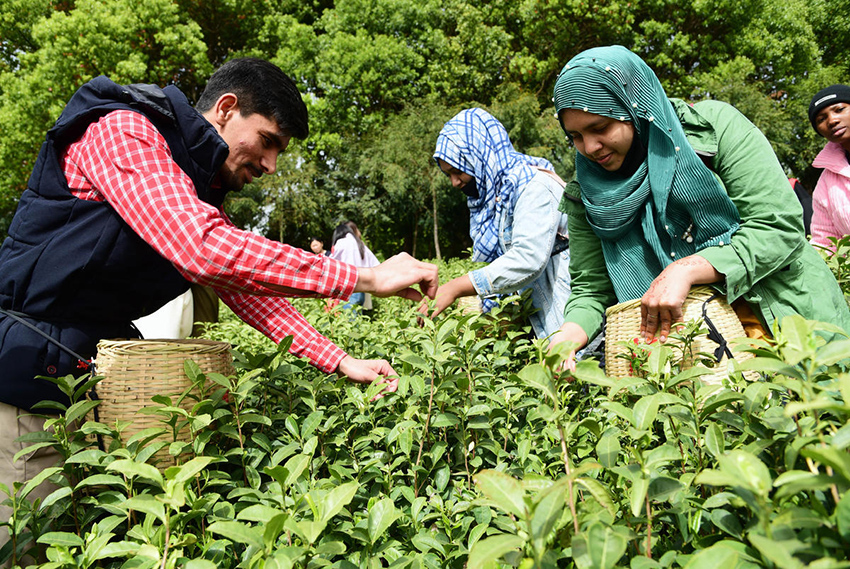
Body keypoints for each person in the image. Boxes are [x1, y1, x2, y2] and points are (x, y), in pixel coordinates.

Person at [0, 58, 438, 519]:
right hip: (24, 393)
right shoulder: (124, 131)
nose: (270, 165)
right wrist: (366, 277)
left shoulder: (187, 183)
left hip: (86, 390)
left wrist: (342, 361)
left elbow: (243, 288)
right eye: (268, 142)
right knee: (25, 542)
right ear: (227, 108)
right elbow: (201, 247)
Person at [547, 46, 850, 361]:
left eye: (601, 128)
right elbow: (592, 289)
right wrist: (568, 336)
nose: (590, 147)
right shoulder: (586, 192)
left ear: (634, 108)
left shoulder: (713, 129)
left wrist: (688, 269)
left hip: (787, 319)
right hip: (693, 352)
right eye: (575, 137)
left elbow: (777, 227)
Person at [423, 108, 571, 339]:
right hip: (537, 321)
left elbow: (528, 259)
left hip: (564, 322)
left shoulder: (534, 186)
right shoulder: (498, 196)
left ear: (478, 157)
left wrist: (455, 288)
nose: (454, 182)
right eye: (447, 174)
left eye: (457, 171)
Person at [807, 84, 850, 249]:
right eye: (821, 119)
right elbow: (825, 243)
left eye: (839, 109)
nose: (832, 120)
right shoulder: (826, 183)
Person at [329, 221, 380, 310]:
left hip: (348, 288)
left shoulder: (341, 242)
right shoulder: (360, 244)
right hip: (361, 288)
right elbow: (376, 264)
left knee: (349, 320)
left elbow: (331, 263)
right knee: (358, 318)